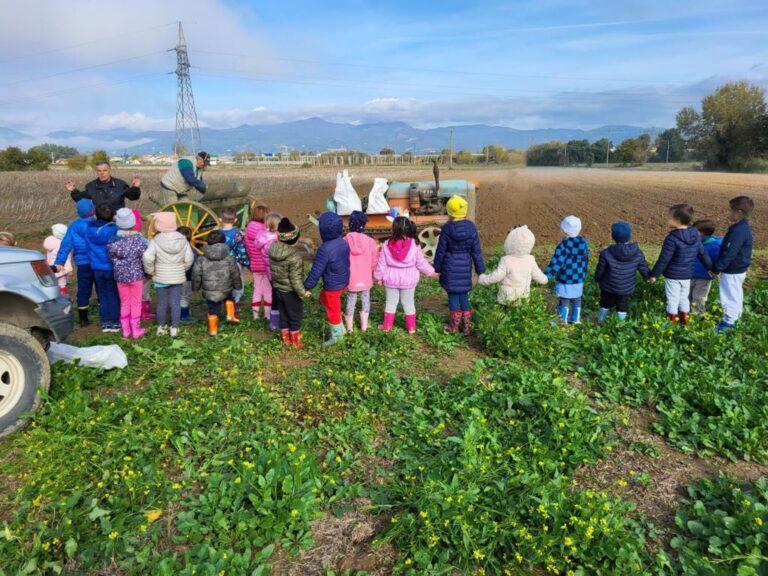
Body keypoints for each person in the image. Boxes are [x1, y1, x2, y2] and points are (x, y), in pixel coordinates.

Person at [649, 204, 712, 326]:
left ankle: (670, 324)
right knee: (684, 298)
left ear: (677, 220)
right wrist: (710, 268)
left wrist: (654, 275)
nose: (667, 219)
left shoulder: (671, 238)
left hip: (673, 277)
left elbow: (664, 259)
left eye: (670, 217)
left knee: (672, 299)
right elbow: (703, 253)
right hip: (687, 275)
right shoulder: (695, 236)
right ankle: (684, 322)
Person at [433, 195, 485, 334]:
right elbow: (476, 251)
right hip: (465, 266)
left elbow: (440, 251)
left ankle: (454, 327)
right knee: (463, 294)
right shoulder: (471, 228)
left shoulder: (447, 229)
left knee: (453, 295)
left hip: (450, 266)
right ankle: (466, 327)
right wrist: (480, 270)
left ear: (450, 212)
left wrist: (437, 268)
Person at [375, 216, 436, 334]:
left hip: (391, 278)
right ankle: (411, 328)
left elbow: (382, 264)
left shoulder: (386, 244)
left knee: (390, 303)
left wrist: (378, 277)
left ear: (394, 229)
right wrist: (431, 272)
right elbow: (421, 263)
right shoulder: (414, 244)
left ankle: (387, 326)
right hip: (409, 279)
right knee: (408, 303)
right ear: (408, 228)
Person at [142, 212, 194, 337]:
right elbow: (189, 258)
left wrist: (150, 270)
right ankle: (174, 328)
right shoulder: (183, 239)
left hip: (161, 277)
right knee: (175, 303)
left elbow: (147, 257)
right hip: (177, 277)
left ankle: (161, 327)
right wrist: (182, 269)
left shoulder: (155, 240)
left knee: (161, 303)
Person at [304, 212, 351, 346]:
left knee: (332, 310)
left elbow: (316, 272)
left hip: (333, 285)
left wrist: (307, 286)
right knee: (324, 298)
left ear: (322, 231)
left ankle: (337, 335)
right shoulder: (343, 242)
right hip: (343, 280)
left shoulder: (324, 250)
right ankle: (339, 326)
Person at [712, 196, 754, 332]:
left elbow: (730, 252)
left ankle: (728, 323)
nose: (729, 213)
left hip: (733, 269)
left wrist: (717, 268)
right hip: (738, 268)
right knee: (735, 294)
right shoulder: (741, 227)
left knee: (729, 296)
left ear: (739, 212)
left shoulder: (738, 231)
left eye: (731, 210)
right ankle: (736, 318)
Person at [594, 221, 650, 322]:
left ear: (613, 236)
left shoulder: (606, 253)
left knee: (605, 303)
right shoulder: (637, 253)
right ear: (629, 236)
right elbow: (644, 268)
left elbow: (600, 270)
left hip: (608, 287)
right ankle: (621, 325)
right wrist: (648, 278)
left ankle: (601, 320)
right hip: (626, 288)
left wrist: (597, 278)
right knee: (622, 306)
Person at [478, 225, 547, 304]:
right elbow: (538, 275)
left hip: (507, 298)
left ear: (509, 242)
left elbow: (497, 276)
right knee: (520, 311)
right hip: (523, 298)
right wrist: (545, 279)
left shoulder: (506, 260)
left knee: (505, 311)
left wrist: (484, 279)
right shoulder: (530, 260)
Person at [269, 218, 311, 347]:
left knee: (283, 315)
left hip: (278, 290)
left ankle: (286, 339)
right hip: (290, 292)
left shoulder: (273, 250)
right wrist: (303, 293)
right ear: (295, 239)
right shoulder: (294, 257)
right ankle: (295, 341)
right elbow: (295, 279)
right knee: (295, 316)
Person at [192, 230, 243, 336]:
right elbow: (235, 273)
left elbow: (196, 274)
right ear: (223, 242)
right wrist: (238, 286)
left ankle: (213, 329)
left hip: (210, 290)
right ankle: (230, 314)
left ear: (208, 242)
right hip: (226, 287)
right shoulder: (229, 257)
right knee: (229, 298)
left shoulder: (201, 259)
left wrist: (196, 287)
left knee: (213, 308)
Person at [107, 208, 148, 339]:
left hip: (120, 276)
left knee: (124, 302)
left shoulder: (112, 241)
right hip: (136, 276)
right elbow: (145, 255)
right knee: (136, 302)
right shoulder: (139, 240)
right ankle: (136, 330)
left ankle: (126, 330)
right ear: (133, 222)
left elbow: (111, 256)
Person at [54, 199, 95, 325]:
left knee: (83, 290)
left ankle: (83, 319)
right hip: (98, 262)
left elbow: (66, 244)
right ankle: (105, 316)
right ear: (92, 210)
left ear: (78, 212)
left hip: (82, 263)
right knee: (102, 288)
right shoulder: (98, 223)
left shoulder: (73, 226)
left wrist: (59, 261)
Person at [545, 215, 590, 325]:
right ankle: (575, 319)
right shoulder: (584, 244)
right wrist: (583, 274)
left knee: (564, 299)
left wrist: (547, 275)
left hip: (565, 278)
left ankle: (562, 320)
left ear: (564, 231)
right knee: (577, 298)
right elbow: (586, 261)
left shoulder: (563, 246)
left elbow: (557, 263)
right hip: (579, 278)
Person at [86, 203, 120, 332]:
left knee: (102, 294)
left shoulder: (89, 230)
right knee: (113, 294)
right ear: (112, 216)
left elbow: (88, 248)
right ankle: (114, 322)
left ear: (96, 215)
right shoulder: (114, 230)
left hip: (96, 267)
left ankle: (105, 322)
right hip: (111, 267)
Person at [344, 211, 379, 332]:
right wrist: (373, 273)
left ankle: (349, 328)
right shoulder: (370, 241)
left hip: (350, 278)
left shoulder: (344, 240)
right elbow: (374, 260)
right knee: (365, 299)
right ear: (364, 224)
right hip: (365, 277)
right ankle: (364, 326)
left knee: (351, 299)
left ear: (350, 224)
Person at [65, 162, 141, 212]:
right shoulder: (91, 186)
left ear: (109, 170)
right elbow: (81, 200)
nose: (102, 173)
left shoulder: (120, 184)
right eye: (99, 171)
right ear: (96, 172)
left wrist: (136, 187)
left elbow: (133, 197)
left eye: (105, 170)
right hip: (98, 221)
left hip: (117, 221)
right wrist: (73, 190)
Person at [217, 207, 250, 318]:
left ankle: (223, 304)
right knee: (237, 284)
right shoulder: (238, 234)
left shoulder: (217, 234)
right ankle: (233, 306)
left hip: (220, 263)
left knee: (224, 283)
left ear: (220, 219)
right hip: (235, 264)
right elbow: (241, 250)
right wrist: (246, 263)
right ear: (235, 220)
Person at [244, 204, 272, 321]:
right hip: (266, 266)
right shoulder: (265, 231)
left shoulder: (248, 229)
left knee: (257, 289)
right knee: (267, 290)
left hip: (254, 265)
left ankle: (255, 316)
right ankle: (267, 315)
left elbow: (247, 248)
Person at [690, 219, 722, 314]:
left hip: (703, 278)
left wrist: (716, 271)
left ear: (702, 234)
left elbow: (717, 262)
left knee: (698, 297)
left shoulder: (714, 247)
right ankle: (687, 315)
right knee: (687, 296)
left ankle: (698, 316)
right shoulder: (695, 243)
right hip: (689, 275)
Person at [258, 212, 282, 330]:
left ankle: (274, 322)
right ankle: (279, 321)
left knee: (275, 295)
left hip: (270, 273)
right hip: (278, 273)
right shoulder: (274, 242)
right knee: (280, 296)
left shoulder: (263, 239)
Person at [44, 223, 72, 295]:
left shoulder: (50, 241)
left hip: (51, 267)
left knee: (52, 283)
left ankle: (52, 295)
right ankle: (63, 296)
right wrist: (69, 269)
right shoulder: (63, 244)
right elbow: (66, 258)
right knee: (62, 284)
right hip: (60, 268)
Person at [177, 226, 195, 322]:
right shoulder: (191, 250)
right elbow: (192, 262)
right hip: (186, 277)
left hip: (172, 276)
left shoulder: (172, 248)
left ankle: (175, 313)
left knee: (175, 295)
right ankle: (184, 315)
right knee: (184, 296)